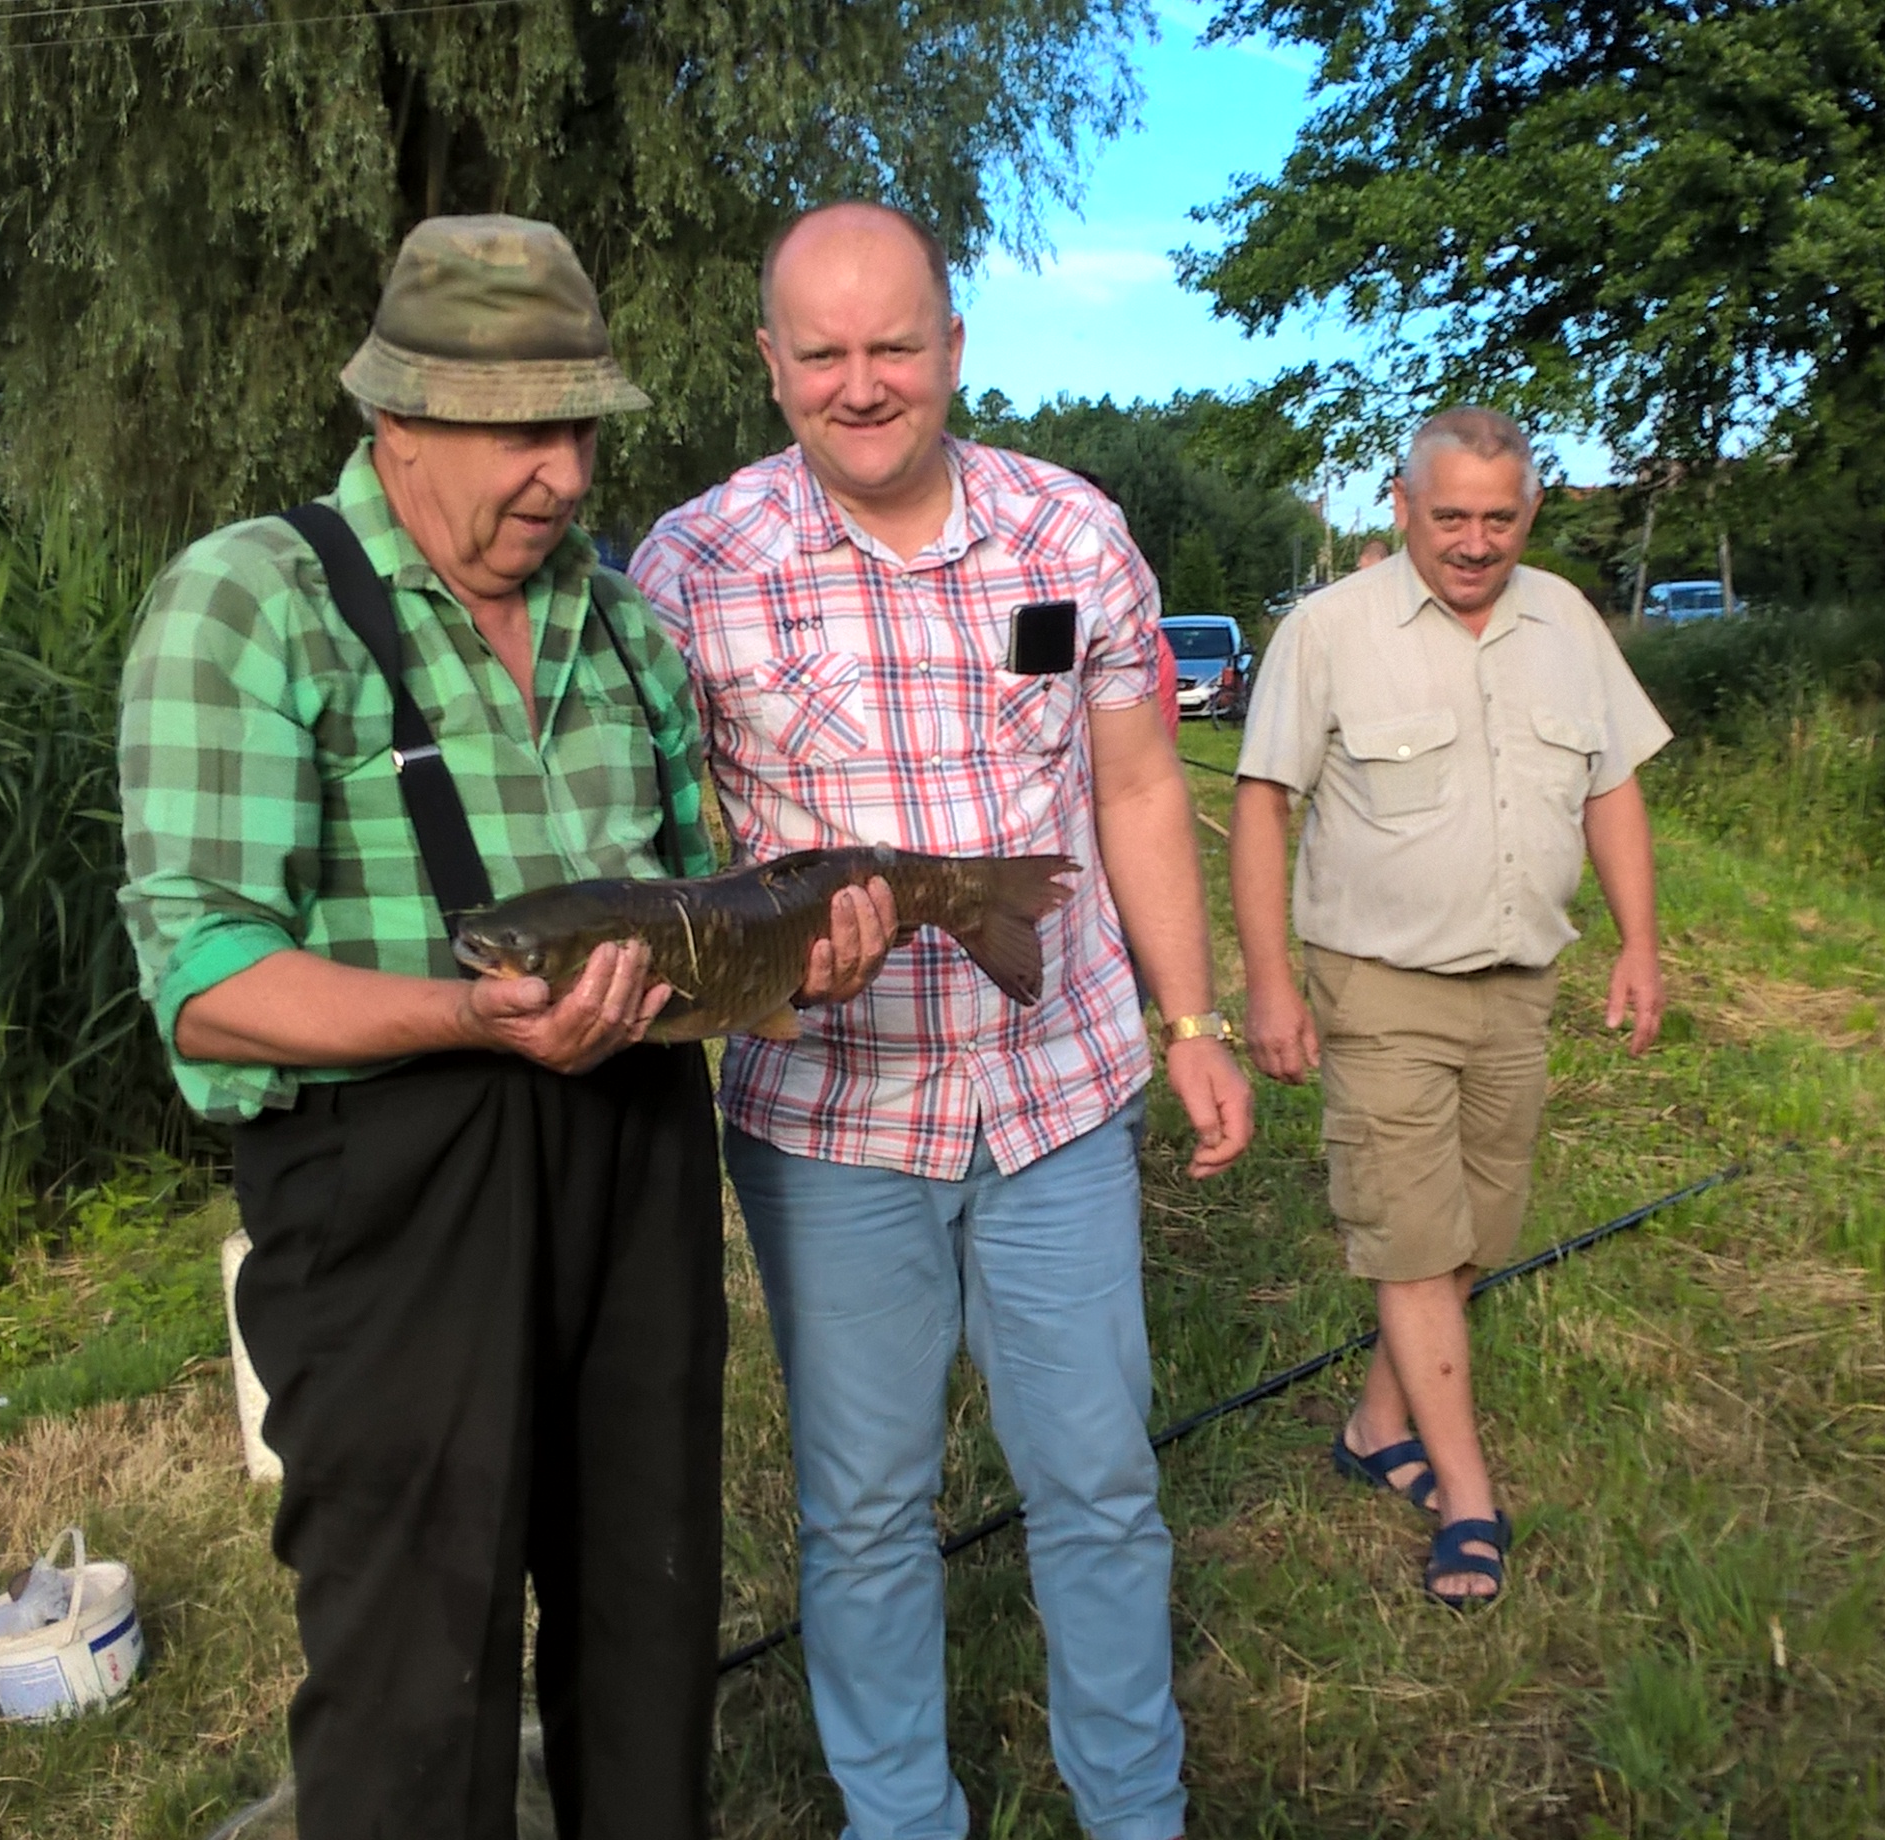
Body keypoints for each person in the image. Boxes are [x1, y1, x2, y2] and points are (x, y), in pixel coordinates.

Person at [116, 215, 887, 1839]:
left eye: (576, 426)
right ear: (393, 420)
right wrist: (465, 1017)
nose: (555, 473)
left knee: (645, 1606)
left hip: (637, 1167)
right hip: (393, 1184)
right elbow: (204, 976)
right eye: (509, 430)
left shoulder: (625, 629)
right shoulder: (254, 604)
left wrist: (790, 961)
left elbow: (700, 902)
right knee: (415, 1665)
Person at [629, 200, 1252, 1840]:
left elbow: (1130, 781)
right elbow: (668, 863)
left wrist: (1194, 1024)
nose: (859, 383)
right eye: (819, 352)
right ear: (769, 367)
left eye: (891, 344)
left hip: (1057, 1093)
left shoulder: (1072, 535)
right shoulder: (687, 569)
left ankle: (1136, 1809)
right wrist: (764, 952)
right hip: (828, 1118)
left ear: (952, 348)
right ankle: (900, 1820)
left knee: (1098, 1484)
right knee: (862, 1509)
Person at [1227, 407, 1670, 1606]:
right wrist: (1269, 982)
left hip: (1521, 980)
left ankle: (1379, 1424)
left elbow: (1612, 784)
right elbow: (1263, 806)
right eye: (1450, 516)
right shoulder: (1326, 632)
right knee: (1414, 1236)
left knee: (1478, 1227)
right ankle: (1467, 1495)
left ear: (1530, 509)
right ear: (1400, 502)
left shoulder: (1567, 619)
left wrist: (1642, 941)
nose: (1474, 542)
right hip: (1377, 982)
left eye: (1499, 517)